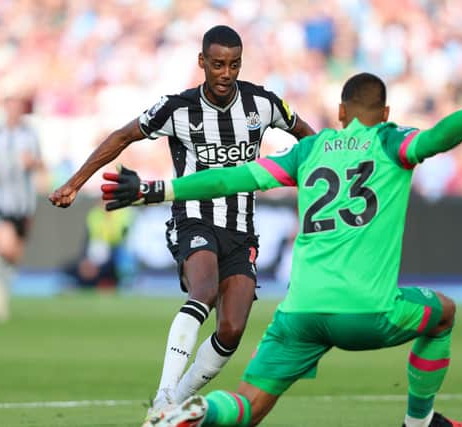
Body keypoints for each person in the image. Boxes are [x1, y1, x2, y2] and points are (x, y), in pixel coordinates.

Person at [101, 55, 462, 427]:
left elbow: (231, 178)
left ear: (340, 112)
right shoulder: (391, 142)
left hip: (300, 313)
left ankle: (201, 411)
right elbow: (436, 138)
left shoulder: (310, 150)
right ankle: (417, 426)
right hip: (366, 311)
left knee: (246, 408)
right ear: (385, 113)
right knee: (443, 314)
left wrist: (158, 190)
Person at [48, 25, 315, 423]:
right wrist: (75, 182)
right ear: (202, 62)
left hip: (242, 230)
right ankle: (163, 396)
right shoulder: (177, 108)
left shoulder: (263, 103)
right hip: (194, 220)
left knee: (232, 329)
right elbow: (123, 136)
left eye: (235, 65)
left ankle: (174, 406)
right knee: (203, 291)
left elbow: (308, 138)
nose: (226, 73)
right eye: (219, 64)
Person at [0, 96, 43, 322]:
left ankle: (1, 290)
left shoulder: (29, 135)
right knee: (5, 248)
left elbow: (41, 164)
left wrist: (32, 162)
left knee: (15, 255)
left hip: (23, 203)